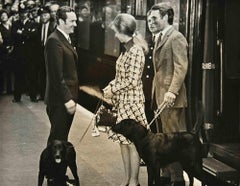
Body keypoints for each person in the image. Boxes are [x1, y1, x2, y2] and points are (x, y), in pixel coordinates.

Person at [103, 13, 148, 186]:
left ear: (123, 30)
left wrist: (113, 89)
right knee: (123, 141)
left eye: (116, 31)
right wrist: (110, 86)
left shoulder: (135, 51)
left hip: (133, 103)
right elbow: (120, 76)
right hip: (123, 102)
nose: (115, 35)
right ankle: (127, 179)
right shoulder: (127, 50)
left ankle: (134, 181)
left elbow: (132, 80)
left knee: (132, 143)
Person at [147, 3, 188, 186]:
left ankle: (177, 179)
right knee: (162, 138)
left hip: (171, 98)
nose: (150, 22)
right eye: (149, 19)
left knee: (171, 140)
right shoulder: (159, 37)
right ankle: (166, 174)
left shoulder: (176, 37)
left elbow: (181, 67)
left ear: (166, 18)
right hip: (160, 96)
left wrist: (172, 91)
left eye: (154, 18)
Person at [44, 6, 78, 144]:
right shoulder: (54, 41)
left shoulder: (65, 38)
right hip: (60, 101)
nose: (75, 24)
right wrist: (67, 99)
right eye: (72, 21)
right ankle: (52, 166)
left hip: (64, 99)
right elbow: (56, 75)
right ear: (61, 22)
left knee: (60, 141)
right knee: (57, 142)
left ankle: (57, 166)